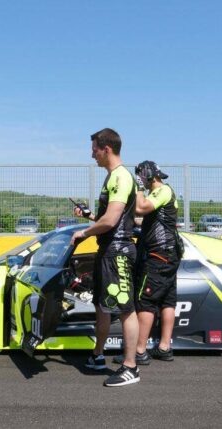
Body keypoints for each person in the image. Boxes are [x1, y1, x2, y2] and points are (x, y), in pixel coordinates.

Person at [71, 128, 140, 387]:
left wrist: (84, 232)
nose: (92, 156)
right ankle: (98, 355)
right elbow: (109, 217)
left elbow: (111, 220)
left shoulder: (121, 177)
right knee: (101, 307)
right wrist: (89, 218)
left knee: (125, 310)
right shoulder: (112, 177)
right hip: (107, 251)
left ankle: (131, 367)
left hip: (118, 251)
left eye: (94, 151)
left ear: (106, 149)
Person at [114, 160, 180, 366]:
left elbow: (141, 208)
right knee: (167, 301)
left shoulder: (162, 191)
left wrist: (138, 188)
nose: (140, 179)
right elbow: (146, 219)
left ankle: (139, 351)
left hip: (158, 256)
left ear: (150, 175)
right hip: (168, 254)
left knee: (146, 302)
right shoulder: (161, 194)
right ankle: (164, 347)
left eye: (141, 175)